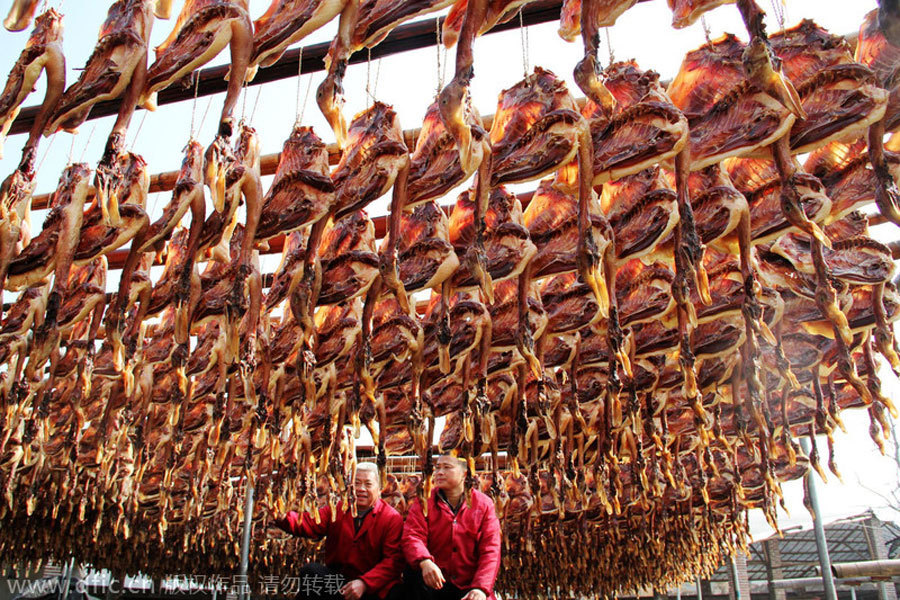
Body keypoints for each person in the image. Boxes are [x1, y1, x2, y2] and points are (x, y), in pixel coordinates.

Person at [271, 463, 404, 600]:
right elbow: (310, 523)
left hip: (372, 588)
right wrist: (281, 517)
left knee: (397, 591)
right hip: (341, 583)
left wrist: (365, 583)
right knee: (310, 572)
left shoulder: (391, 518)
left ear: (379, 488)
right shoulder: (339, 508)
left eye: (368, 484)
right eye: (356, 483)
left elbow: (393, 561)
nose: (361, 489)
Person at [402, 455, 502, 600]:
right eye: (438, 467)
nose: (439, 472)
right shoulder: (424, 501)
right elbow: (412, 535)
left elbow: (491, 549)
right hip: (432, 584)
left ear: (464, 474)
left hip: (469, 585)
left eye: (447, 467)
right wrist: (425, 561)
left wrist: (481, 588)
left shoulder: (484, 505)